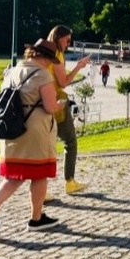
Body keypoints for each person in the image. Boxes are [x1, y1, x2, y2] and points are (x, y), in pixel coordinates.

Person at [0, 39, 66, 240]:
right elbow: (50, 106)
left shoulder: (12, 72)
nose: (51, 63)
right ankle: (31, 218)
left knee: (15, 175)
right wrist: (62, 104)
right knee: (39, 172)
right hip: (35, 131)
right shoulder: (42, 75)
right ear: (44, 57)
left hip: (13, 128)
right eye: (50, 59)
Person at [46, 25, 91, 196]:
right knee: (70, 142)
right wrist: (79, 66)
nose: (69, 43)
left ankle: (40, 191)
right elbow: (63, 82)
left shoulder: (46, 53)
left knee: (45, 147)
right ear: (58, 38)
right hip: (56, 103)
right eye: (67, 39)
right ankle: (69, 182)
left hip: (44, 102)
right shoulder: (57, 55)